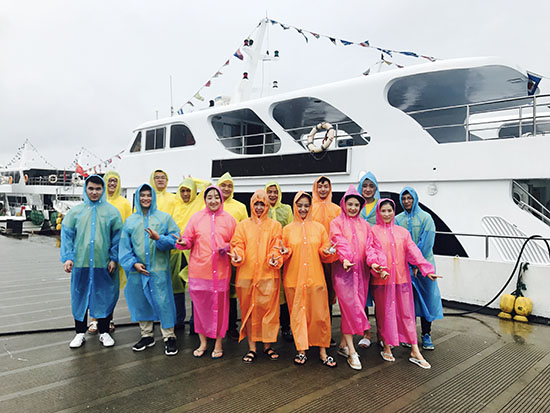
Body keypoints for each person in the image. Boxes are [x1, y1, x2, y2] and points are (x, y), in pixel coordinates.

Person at [370, 199, 442, 369]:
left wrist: (426, 269)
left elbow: (413, 252)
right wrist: (376, 265)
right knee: (384, 314)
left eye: (389, 210)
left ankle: (415, 350)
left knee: (407, 314)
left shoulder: (402, 232)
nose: (386, 214)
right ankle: (387, 346)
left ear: (393, 212)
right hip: (382, 280)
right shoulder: (373, 231)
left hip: (401, 279)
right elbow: (371, 252)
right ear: (378, 212)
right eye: (383, 211)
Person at [60, 175, 122, 348]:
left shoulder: (112, 212)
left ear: (103, 190)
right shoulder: (75, 212)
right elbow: (67, 236)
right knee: (79, 295)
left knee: (104, 295)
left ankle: (104, 331)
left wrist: (114, 258)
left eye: (98, 189)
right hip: (81, 263)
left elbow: (118, 237)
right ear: (85, 189)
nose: (94, 192)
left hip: (103, 263)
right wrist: (68, 257)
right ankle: (80, 332)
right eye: (91, 188)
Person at [175, 186, 236, 359]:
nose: (213, 200)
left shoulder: (230, 220)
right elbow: (188, 239)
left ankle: (218, 343)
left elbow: (237, 242)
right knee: (201, 309)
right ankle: (202, 343)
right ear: (205, 199)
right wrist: (183, 242)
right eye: (210, 197)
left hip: (221, 272)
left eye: (216, 197)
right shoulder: (196, 218)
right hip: (200, 271)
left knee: (220, 308)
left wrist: (228, 246)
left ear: (221, 199)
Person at [330, 185, 387, 370]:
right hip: (343, 274)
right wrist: (345, 259)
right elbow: (338, 242)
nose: (353, 208)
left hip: (361, 275)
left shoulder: (365, 225)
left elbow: (370, 248)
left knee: (355, 308)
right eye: (350, 204)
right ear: (344, 204)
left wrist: (374, 262)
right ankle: (352, 352)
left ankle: (342, 345)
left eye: (356, 205)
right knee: (348, 309)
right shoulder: (336, 223)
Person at [119, 184, 180, 356]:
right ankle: (147, 335)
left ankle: (169, 336)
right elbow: (124, 247)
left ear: (153, 197)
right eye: (142, 195)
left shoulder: (164, 218)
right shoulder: (130, 221)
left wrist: (159, 239)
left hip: (159, 270)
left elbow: (176, 240)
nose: (145, 198)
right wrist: (133, 263)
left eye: (149, 195)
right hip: (138, 270)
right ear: (137, 198)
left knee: (164, 301)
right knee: (141, 301)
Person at [282, 191, 338, 368]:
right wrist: (282, 254)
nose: (303, 209)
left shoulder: (319, 228)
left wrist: (327, 252)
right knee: (298, 316)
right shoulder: (287, 230)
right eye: (300, 205)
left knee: (320, 316)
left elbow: (325, 250)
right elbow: (281, 252)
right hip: (294, 280)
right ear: (294, 206)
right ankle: (301, 350)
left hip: (316, 279)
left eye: (306, 205)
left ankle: (323, 351)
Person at [230, 189, 283, 363]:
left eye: (262, 204)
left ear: (267, 205)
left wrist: (273, 258)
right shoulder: (243, 225)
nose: (259, 207)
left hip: (268, 275)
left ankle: (267, 346)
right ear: (252, 205)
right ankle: (252, 348)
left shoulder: (275, 225)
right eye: (256, 204)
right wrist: (238, 256)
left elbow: (276, 246)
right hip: (246, 276)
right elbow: (237, 244)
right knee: (249, 311)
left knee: (268, 312)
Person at [395, 187, 443, 350]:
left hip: (425, 265)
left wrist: (417, 264)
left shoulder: (426, 218)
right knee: (408, 302)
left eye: (409, 198)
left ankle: (426, 334)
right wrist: (410, 264)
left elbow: (427, 242)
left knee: (427, 299)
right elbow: (398, 244)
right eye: (404, 198)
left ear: (415, 199)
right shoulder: (398, 219)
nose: (406, 201)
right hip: (405, 266)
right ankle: (409, 335)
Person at [86, 170, 131, 335]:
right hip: (95, 251)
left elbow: (128, 226)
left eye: (115, 181)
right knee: (94, 285)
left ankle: (108, 318)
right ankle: (94, 319)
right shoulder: (96, 201)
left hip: (115, 250)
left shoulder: (124, 203)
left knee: (111, 287)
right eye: (109, 181)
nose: (112, 184)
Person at [170, 177, 210, 333]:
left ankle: (195, 322)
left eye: (189, 190)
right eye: (183, 190)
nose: (186, 194)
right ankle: (178, 320)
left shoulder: (199, 202)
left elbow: (208, 185)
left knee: (196, 288)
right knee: (176, 288)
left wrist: (191, 179)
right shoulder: (175, 203)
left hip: (193, 252)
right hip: (176, 252)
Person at [217, 172, 248, 340]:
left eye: (229, 186)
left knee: (232, 291)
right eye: (223, 185)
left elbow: (245, 230)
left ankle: (232, 327)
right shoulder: (213, 205)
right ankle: (217, 325)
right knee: (218, 291)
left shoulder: (240, 207)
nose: (226, 188)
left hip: (234, 254)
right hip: (216, 256)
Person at [311, 175, 341, 347]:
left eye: (326, 186)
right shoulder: (309, 208)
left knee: (328, 296)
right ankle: (311, 332)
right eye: (320, 186)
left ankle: (326, 333)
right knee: (313, 295)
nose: (323, 189)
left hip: (330, 260)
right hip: (312, 259)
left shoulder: (336, 209)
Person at [265, 181, 293, 342]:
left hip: (283, 256)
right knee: (269, 295)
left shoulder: (286, 209)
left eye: (275, 192)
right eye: (269, 191)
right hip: (266, 258)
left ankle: (286, 327)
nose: (272, 195)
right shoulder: (261, 208)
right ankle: (270, 328)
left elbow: (289, 231)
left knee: (284, 294)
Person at [357, 171, 381, 348]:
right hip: (360, 257)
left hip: (378, 256)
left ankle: (383, 332)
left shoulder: (381, 205)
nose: (367, 189)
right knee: (362, 296)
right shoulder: (355, 205)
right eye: (364, 186)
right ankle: (366, 332)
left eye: (371, 186)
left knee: (381, 296)